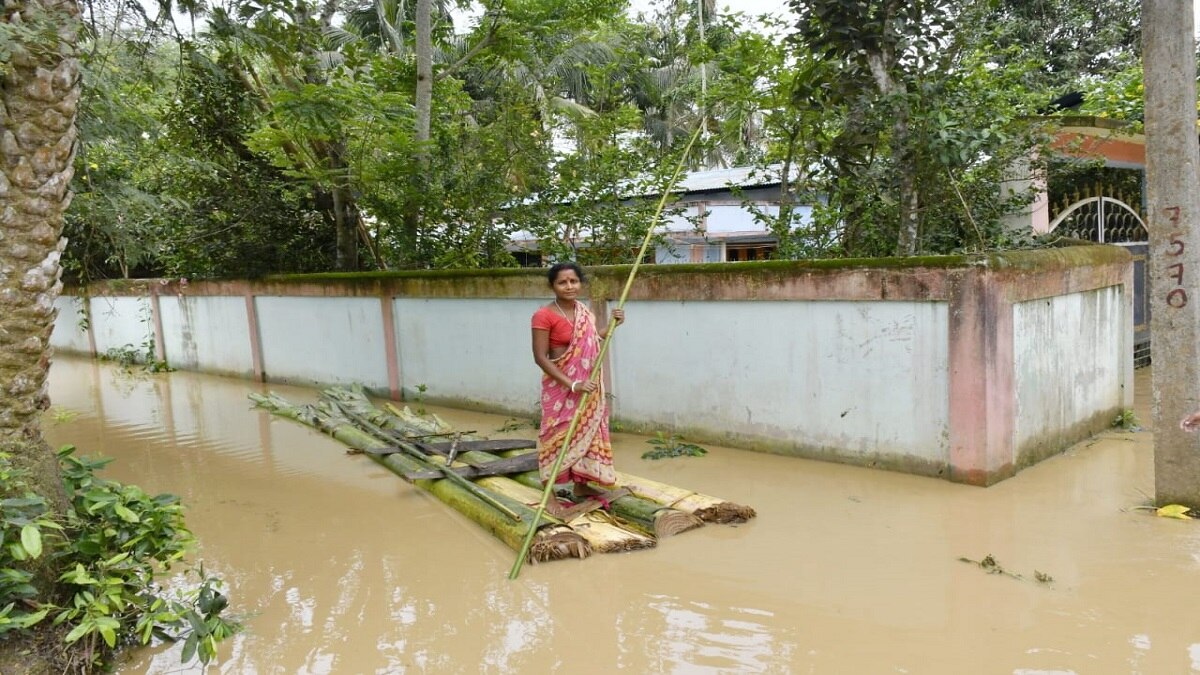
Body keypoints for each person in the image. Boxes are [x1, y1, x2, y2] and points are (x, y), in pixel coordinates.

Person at [531, 262, 624, 513]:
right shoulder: (544, 315)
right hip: (562, 387)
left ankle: (581, 485)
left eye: (573, 281)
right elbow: (540, 357)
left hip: (588, 385)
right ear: (553, 286)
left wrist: (613, 325)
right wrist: (572, 384)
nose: (569, 286)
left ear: (580, 283)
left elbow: (592, 340)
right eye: (562, 282)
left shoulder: (585, 313)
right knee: (555, 435)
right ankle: (549, 493)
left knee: (588, 432)